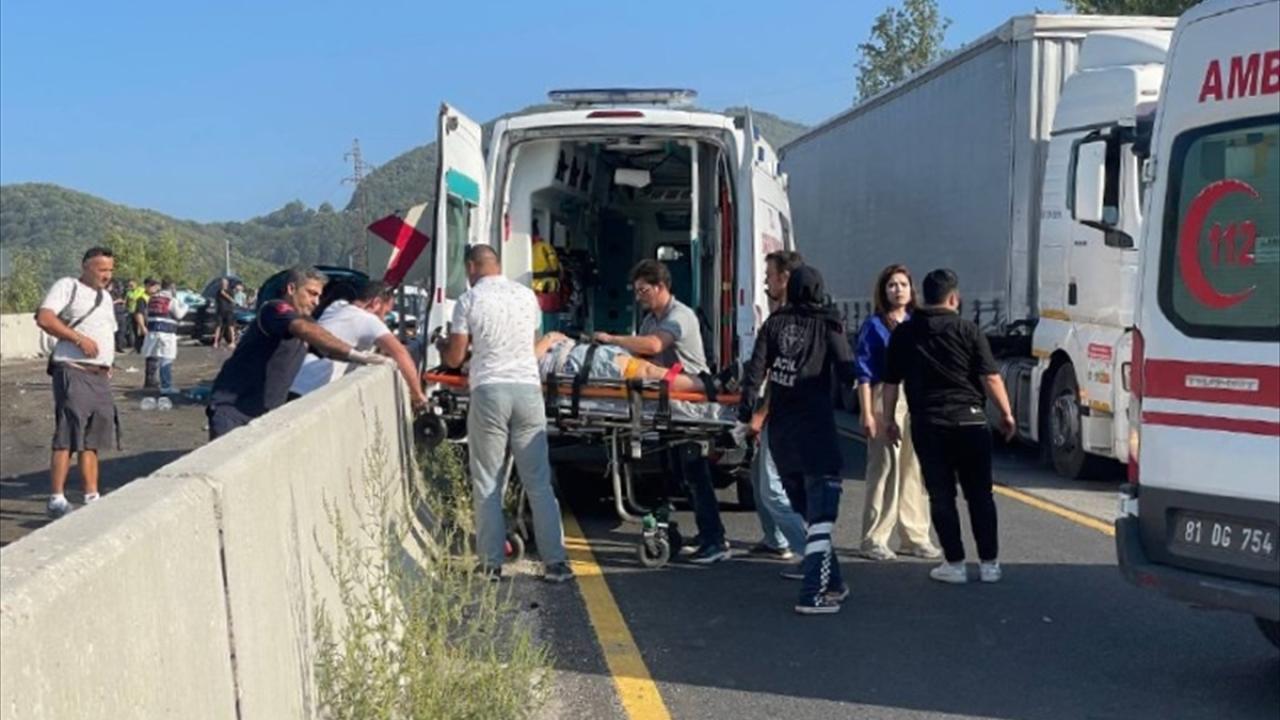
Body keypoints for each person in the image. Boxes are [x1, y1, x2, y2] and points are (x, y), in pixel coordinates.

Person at [437, 245, 572, 583]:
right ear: (497, 264)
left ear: (472, 267)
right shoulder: (526, 296)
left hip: (490, 391)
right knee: (538, 483)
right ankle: (556, 564)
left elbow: (455, 358)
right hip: (528, 391)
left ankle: (491, 565)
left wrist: (442, 345)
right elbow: (529, 346)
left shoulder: (469, 300)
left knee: (487, 482)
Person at [882, 268, 1017, 585]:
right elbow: (990, 377)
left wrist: (888, 420)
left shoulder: (905, 333)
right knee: (980, 495)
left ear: (922, 297)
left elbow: (890, 382)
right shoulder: (969, 330)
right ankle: (989, 564)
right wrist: (1007, 414)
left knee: (941, 495)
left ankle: (954, 564)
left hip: (929, 423)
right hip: (971, 421)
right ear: (954, 298)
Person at [739, 265, 856, 614]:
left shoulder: (773, 324)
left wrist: (746, 411)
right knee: (822, 516)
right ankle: (812, 594)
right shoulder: (828, 323)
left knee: (809, 515)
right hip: (816, 433)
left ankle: (834, 583)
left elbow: (755, 372)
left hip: (783, 436)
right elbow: (847, 370)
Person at [594, 259, 728, 564]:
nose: (638, 296)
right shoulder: (649, 320)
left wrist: (612, 339)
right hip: (669, 406)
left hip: (691, 405)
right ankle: (705, 534)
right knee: (679, 475)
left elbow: (654, 346)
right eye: (636, 290)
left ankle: (716, 541)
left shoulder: (680, 316)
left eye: (643, 290)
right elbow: (640, 356)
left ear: (661, 287)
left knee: (695, 473)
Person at [206, 267, 389, 440]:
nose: (316, 301)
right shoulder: (274, 309)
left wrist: (364, 357)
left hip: (263, 413)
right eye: (311, 293)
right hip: (233, 410)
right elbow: (301, 328)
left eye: (319, 296)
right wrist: (353, 354)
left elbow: (326, 346)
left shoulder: (307, 322)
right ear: (291, 289)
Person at [854, 265, 940, 561]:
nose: (898, 290)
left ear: (911, 289)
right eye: (891, 285)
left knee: (913, 468)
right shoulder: (874, 325)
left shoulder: (918, 323)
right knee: (884, 468)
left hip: (913, 396)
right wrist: (867, 412)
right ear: (883, 290)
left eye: (903, 284)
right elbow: (863, 372)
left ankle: (914, 536)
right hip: (883, 394)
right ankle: (874, 538)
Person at [34, 247, 119, 518]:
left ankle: (91, 495)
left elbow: (106, 332)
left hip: (99, 375)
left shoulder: (105, 297)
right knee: (67, 434)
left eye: (110, 270)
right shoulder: (68, 286)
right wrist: (79, 339)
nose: (107, 275)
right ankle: (56, 498)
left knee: (92, 439)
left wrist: (107, 362)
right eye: (101, 269)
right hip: (73, 370)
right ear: (86, 267)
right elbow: (45, 318)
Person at [745, 250, 808, 565]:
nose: (766, 282)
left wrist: (759, 413)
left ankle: (812, 553)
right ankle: (775, 539)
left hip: (785, 413)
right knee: (759, 480)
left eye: (769, 275)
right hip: (784, 410)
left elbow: (781, 376)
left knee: (772, 489)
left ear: (785, 278)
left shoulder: (788, 322)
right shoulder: (788, 317)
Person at [290, 280, 428, 410]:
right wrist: (417, 394)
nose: (384, 319)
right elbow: (400, 354)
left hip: (293, 383)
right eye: (386, 313)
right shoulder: (368, 319)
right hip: (310, 392)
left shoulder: (337, 307)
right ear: (376, 303)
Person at [140, 278, 189, 396]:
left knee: (154, 358)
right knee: (166, 359)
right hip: (166, 333)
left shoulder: (152, 298)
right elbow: (179, 315)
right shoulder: (171, 300)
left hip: (153, 332)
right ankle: (166, 386)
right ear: (172, 287)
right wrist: (186, 306)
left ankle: (152, 382)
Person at [131, 278, 155, 354]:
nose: (154, 288)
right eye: (152, 286)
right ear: (146, 286)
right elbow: (139, 313)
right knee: (143, 350)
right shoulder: (142, 299)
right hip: (145, 327)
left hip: (152, 327)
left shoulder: (153, 297)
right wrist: (142, 327)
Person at [213, 277, 236, 349]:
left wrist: (225, 294)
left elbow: (233, 301)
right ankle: (215, 342)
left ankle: (233, 342)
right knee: (218, 327)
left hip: (229, 311)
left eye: (224, 283)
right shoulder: (218, 292)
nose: (223, 284)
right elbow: (216, 301)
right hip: (220, 312)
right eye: (221, 283)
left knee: (230, 327)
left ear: (227, 283)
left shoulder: (230, 291)